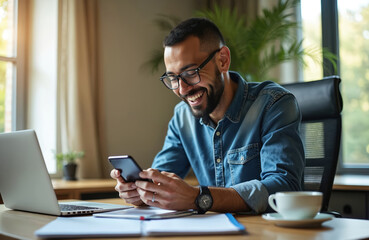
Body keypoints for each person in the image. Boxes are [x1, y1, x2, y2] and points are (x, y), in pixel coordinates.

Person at [111, 18, 305, 214]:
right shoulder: (182, 118)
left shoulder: (274, 104)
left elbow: (284, 187)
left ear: (223, 60)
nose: (182, 88)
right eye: (173, 78)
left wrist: (199, 198)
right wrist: (142, 191)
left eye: (190, 72)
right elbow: (159, 180)